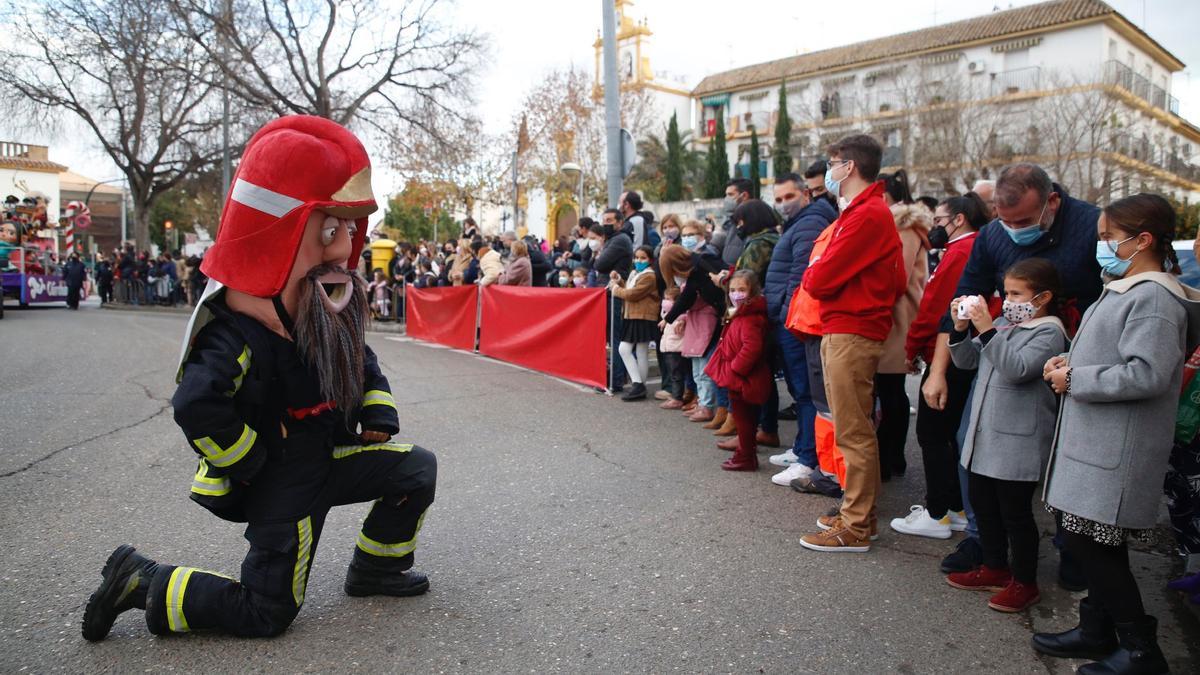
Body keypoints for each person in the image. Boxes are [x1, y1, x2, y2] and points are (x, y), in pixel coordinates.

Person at [81, 115, 436, 642]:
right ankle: (143, 580)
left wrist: (376, 408)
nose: (340, 252)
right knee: (266, 613)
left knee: (416, 470)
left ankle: (376, 568)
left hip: (329, 460)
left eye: (345, 232)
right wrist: (251, 461)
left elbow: (359, 359)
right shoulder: (237, 335)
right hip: (284, 486)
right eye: (327, 233)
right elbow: (197, 406)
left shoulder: (320, 315)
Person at [1032, 193, 1200, 673]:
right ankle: (1097, 629)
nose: (1101, 244)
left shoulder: (1154, 296)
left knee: (1093, 546)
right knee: (1091, 541)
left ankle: (1142, 651)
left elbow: (1147, 373)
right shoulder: (1128, 286)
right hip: (1098, 443)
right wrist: (1073, 362)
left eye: (1109, 236)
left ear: (1143, 239)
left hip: (1117, 449)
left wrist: (1077, 379)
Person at [934, 162, 1102, 581]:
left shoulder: (1090, 226)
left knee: (1069, 455)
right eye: (1004, 220)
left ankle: (1073, 548)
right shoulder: (994, 236)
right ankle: (984, 540)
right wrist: (941, 364)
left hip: (1074, 353)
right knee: (968, 438)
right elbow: (965, 297)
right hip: (1004, 344)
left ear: (1052, 203)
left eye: (1024, 221)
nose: (1014, 230)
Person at [799, 134, 905, 554]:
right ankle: (859, 514)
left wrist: (820, 269)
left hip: (852, 329)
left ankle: (857, 525)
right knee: (852, 426)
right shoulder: (865, 212)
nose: (829, 171)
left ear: (849, 166)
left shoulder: (866, 215)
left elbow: (818, 279)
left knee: (853, 430)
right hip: (848, 327)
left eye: (832, 163)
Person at [944, 259, 1067, 613]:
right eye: (1006, 292)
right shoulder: (1001, 325)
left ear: (1043, 297)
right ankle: (995, 566)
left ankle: (1025, 581)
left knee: (1015, 514)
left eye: (1017, 293)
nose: (1007, 300)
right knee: (984, 507)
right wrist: (960, 328)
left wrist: (986, 329)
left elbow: (1018, 370)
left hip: (1018, 442)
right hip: (985, 438)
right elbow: (968, 362)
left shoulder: (1049, 332)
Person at [891, 193, 988, 540]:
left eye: (940, 221)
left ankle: (937, 513)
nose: (935, 228)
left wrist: (913, 346)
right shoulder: (973, 249)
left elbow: (934, 308)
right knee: (948, 433)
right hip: (963, 351)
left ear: (959, 220)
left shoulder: (961, 252)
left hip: (947, 353)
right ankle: (954, 507)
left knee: (932, 434)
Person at [763, 168, 838, 486]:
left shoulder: (809, 223)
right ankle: (802, 449)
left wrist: (782, 310)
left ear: (806, 194)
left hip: (795, 320)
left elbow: (800, 277)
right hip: (790, 318)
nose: (783, 203)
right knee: (800, 389)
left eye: (789, 196)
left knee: (807, 392)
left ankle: (808, 458)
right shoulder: (799, 223)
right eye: (778, 198)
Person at [876, 169, 931, 480]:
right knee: (890, 388)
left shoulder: (902, 225)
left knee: (890, 387)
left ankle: (890, 457)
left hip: (896, 315)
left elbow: (897, 274)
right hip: (895, 313)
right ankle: (890, 457)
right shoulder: (901, 222)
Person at [705, 270, 771, 471]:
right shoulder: (739, 314)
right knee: (744, 420)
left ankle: (746, 456)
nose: (736, 294)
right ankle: (744, 453)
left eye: (742, 289)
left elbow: (752, 347)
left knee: (745, 421)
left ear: (752, 291)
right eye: (733, 290)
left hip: (744, 378)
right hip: (739, 378)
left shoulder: (750, 317)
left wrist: (735, 369)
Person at [661, 244, 724, 423]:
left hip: (710, 324)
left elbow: (687, 298)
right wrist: (671, 318)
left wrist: (670, 317)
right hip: (702, 325)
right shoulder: (696, 271)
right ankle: (705, 403)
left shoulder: (703, 266)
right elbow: (686, 298)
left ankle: (709, 406)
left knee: (705, 370)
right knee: (698, 370)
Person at [610, 245, 660, 401]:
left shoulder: (649, 276)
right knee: (641, 351)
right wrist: (620, 281)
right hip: (635, 315)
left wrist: (615, 288)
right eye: (636, 257)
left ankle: (638, 384)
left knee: (624, 349)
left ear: (650, 260)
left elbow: (633, 294)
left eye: (643, 258)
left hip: (641, 316)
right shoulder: (636, 273)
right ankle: (640, 386)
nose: (638, 261)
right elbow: (630, 288)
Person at [657, 287, 688, 409]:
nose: (665, 301)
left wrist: (681, 320)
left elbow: (685, 317)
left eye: (668, 299)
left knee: (677, 374)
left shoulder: (680, 316)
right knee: (673, 373)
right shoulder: (666, 314)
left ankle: (677, 397)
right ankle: (677, 395)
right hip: (668, 348)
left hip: (676, 349)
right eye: (664, 298)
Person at [712, 178, 754, 267]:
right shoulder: (732, 223)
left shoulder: (755, 223)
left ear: (744, 196)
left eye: (730, 194)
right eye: (726, 195)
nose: (726, 199)